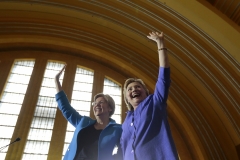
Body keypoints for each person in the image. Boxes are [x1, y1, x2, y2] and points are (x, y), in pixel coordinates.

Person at [120, 31, 179, 160]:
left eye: (137, 87)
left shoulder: (154, 102)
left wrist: (160, 44)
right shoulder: (126, 122)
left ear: (146, 92)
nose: (134, 89)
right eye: (129, 89)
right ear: (127, 99)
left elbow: (163, 78)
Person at [55, 65, 122, 160]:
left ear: (110, 108)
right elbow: (66, 108)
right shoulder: (83, 122)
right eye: (95, 103)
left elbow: (124, 150)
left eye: (101, 102)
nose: (96, 105)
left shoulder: (118, 129)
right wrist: (57, 81)